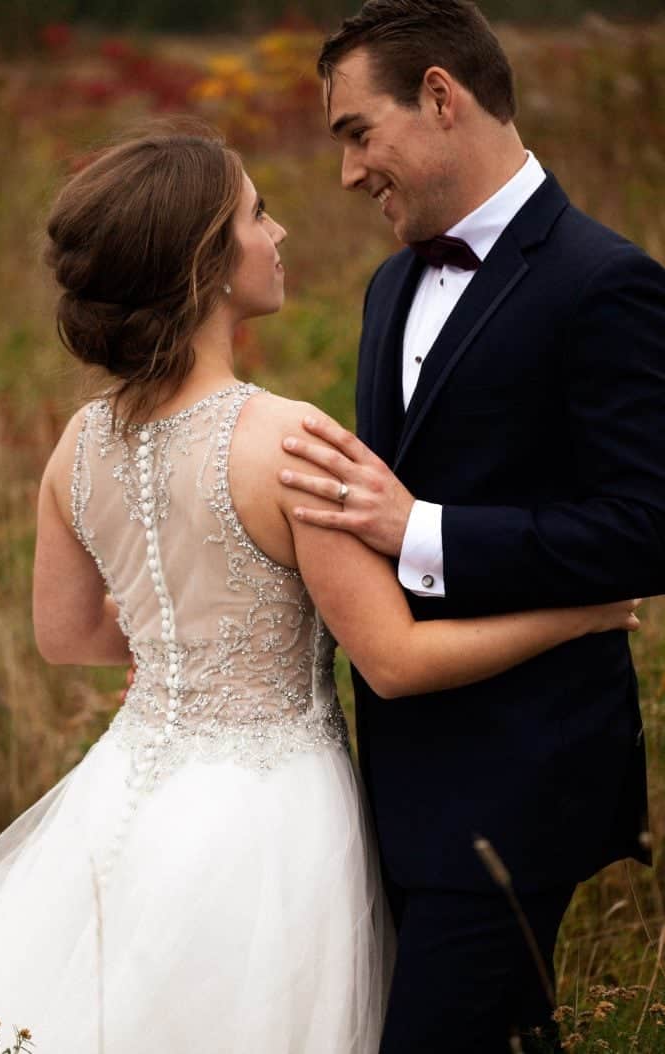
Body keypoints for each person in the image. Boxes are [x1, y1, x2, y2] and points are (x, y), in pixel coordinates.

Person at [0, 129, 641, 1054]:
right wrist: (586, 611)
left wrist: (186, 640)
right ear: (208, 260)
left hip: (124, 798)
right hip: (269, 814)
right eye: (255, 214)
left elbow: (66, 636)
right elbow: (395, 662)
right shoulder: (288, 443)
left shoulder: (76, 446)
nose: (277, 234)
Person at [277, 2, 665, 1051]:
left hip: (523, 782)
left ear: (441, 97)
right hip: (393, 780)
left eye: (358, 132)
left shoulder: (606, 282)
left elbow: (646, 526)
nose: (350, 171)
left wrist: (424, 529)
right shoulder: (389, 283)